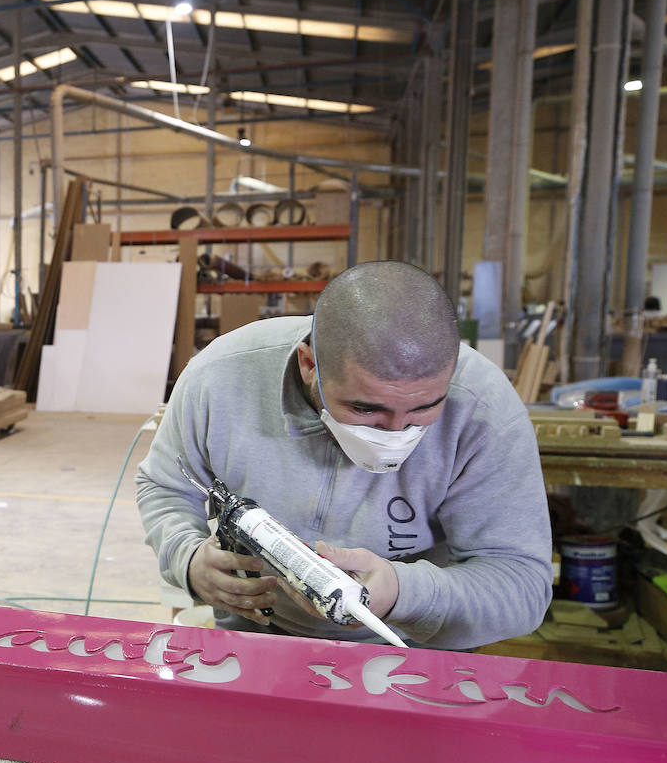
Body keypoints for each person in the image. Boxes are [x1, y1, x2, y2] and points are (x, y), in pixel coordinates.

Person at [135, 259, 551, 650]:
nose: (395, 433)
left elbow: (522, 585)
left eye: (424, 409)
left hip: (412, 651)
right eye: (366, 408)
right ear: (309, 365)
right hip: (258, 638)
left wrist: (403, 593)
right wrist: (186, 557)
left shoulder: (484, 409)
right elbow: (165, 485)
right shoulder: (220, 377)